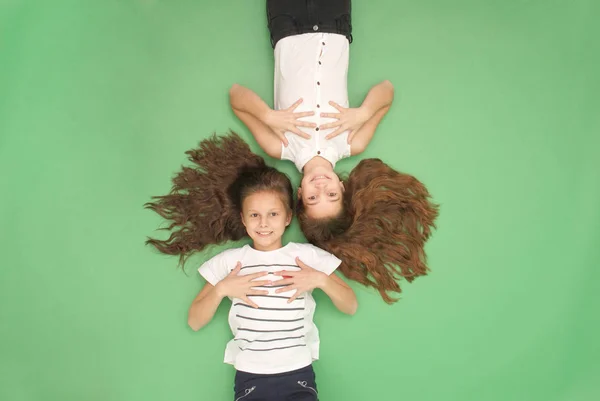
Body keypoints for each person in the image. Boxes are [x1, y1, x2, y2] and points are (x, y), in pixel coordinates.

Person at [230, 0, 439, 303]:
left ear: (299, 195)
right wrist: (364, 113)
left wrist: (268, 116)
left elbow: (237, 96)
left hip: (287, 26)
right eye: (332, 195)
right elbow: (387, 90)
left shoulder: (281, 146)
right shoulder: (352, 143)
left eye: (313, 198)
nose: (321, 187)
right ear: (342, 187)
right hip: (335, 23)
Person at [146, 132, 357, 400]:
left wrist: (320, 280)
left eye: (273, 214)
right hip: (251, 375)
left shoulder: (308, 256)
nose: (264, 223)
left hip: (298, 371)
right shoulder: (229, 262)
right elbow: (195, 321)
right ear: (244, 221)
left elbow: (350, 305)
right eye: (254, 215)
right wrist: (222, 288)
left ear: (288, 217)